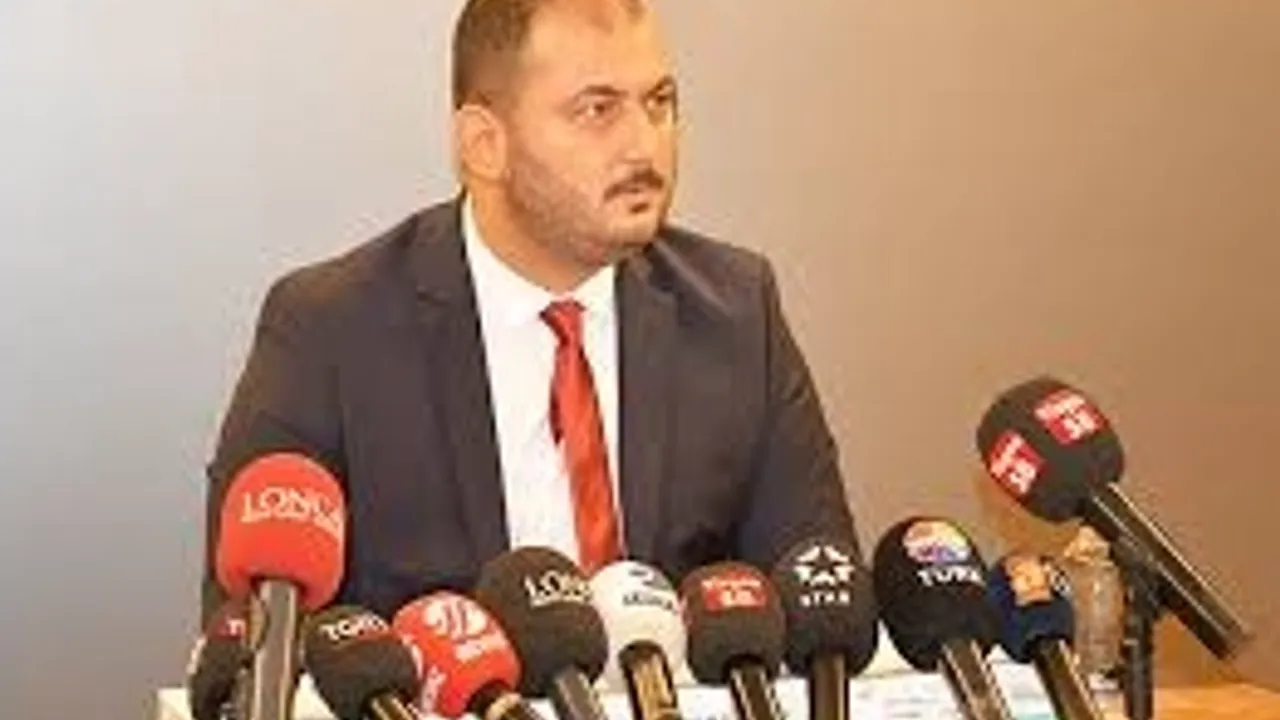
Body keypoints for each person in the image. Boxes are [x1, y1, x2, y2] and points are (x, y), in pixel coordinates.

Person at [203, 0, 857, 621]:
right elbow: (252, 643)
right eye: (597, 110)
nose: (645, 146)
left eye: (659, 103)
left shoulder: (736, 315)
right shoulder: (330, 335)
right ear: (484, 144)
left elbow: (825, 612)